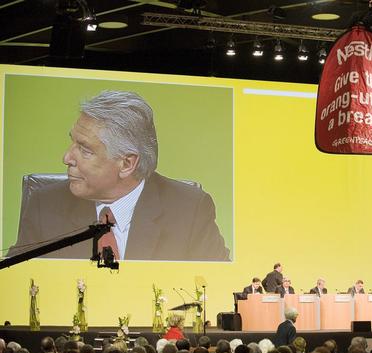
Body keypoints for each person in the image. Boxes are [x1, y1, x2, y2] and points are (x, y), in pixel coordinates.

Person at [7, 90, 229, 261]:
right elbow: (14, 284)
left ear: (127, 163)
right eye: (72, 142)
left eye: (85, 150)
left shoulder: (189, 209)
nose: (67, 157)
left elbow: (215, 288)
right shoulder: (44, 206)